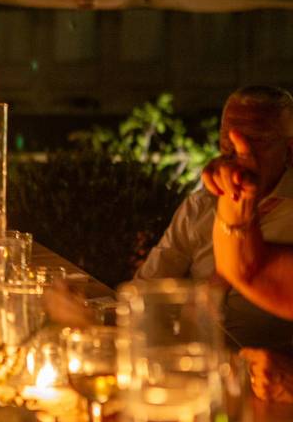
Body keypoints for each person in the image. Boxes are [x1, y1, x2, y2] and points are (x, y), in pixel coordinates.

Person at [45, 86, 293, 350]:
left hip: (265, 378)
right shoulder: (200, 206)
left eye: (256, 140)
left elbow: (248, 268)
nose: (240, 157)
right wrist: (91, 314)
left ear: (290, 150)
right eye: (228, 144)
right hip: (183, 364)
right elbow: (145, 291)